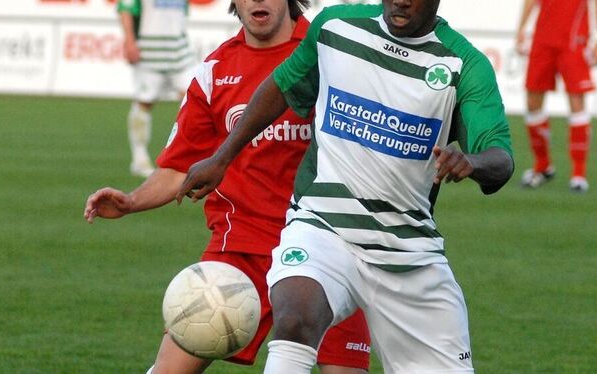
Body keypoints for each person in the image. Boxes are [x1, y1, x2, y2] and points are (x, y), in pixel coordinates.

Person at [178, 0, 515, 372]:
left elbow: (501, 158)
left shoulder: (464, 65)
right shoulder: (336, 27)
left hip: (406, 253)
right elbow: (279, 86)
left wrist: (473, 161)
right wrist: (222, 158)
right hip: (322, 227)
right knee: (296, 314)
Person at [85, 0, 371, 372]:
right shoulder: (216, 71)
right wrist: (131, 201)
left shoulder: (330, 52)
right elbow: (179, 165)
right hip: (241, 249)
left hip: (330, 248)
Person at [515, 0, 597, 193]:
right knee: (532, 101)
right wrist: (521, 28)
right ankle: (543, 165)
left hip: (574, 39)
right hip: (542, 38)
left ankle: (579, 174)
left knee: (577, 101)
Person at [118, 0, 197, 177]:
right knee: (145, 101)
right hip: (149, 51)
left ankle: (188, 157)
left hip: (180, 51)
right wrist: (129, 41)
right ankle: (139, 158)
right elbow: (125, 8)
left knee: (194, 101)